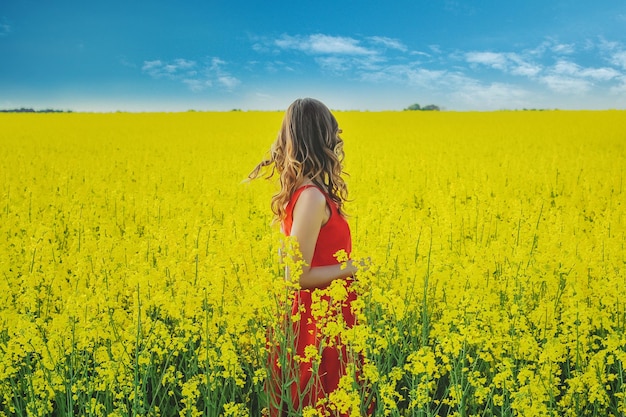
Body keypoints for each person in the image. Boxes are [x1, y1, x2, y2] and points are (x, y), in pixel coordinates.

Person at [248, 98, 369, 416]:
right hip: (318, 322)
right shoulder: (312, 197)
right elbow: (296, 275)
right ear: (321, 138)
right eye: (333, 132)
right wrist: (354, 267)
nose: (338, 139)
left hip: (326, 316)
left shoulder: (306, 192)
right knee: (323, 403)